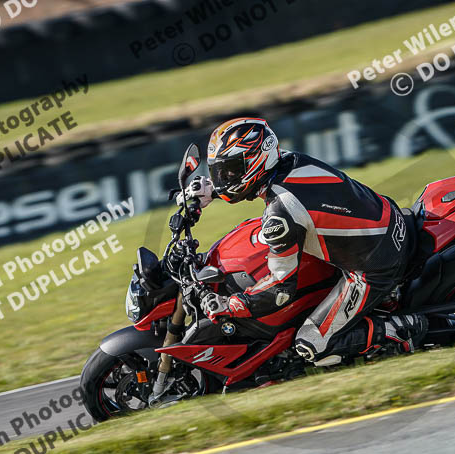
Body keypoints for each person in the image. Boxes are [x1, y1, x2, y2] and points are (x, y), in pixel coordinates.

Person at [182, 117, 427, 367]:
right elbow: (250, 183)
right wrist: (212, 191)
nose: (224, 178)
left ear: (256, 160)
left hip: (374, 265)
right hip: (385, 220)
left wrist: (230, 304)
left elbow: (280, 291)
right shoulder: (288, 160)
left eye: (231, 170)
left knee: (311, 343)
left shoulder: (281, 212)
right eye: (220, 171)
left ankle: (401, 329)